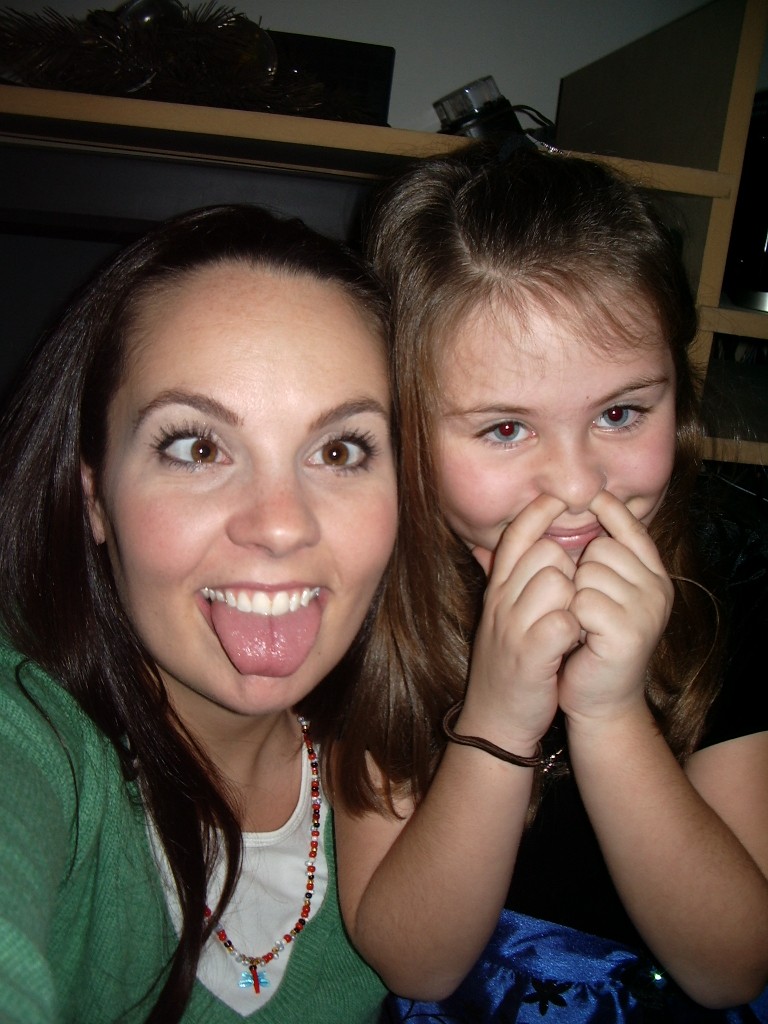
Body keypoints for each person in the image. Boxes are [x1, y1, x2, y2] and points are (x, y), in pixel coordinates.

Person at [329, 143, 768, 1021]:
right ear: (404, 427)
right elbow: (415, 962)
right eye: (504, 429)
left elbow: (733, 968)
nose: (576, 484)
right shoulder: (371, 593)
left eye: (621, 412)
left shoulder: (729, 578)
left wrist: (608, 714)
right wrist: (499, 715)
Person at [0, 204, 398, 1024]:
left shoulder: (408, 766)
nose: (280, 525)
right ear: (93, 496)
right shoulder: (31, 734)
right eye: (197, 447)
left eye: (340, 450)